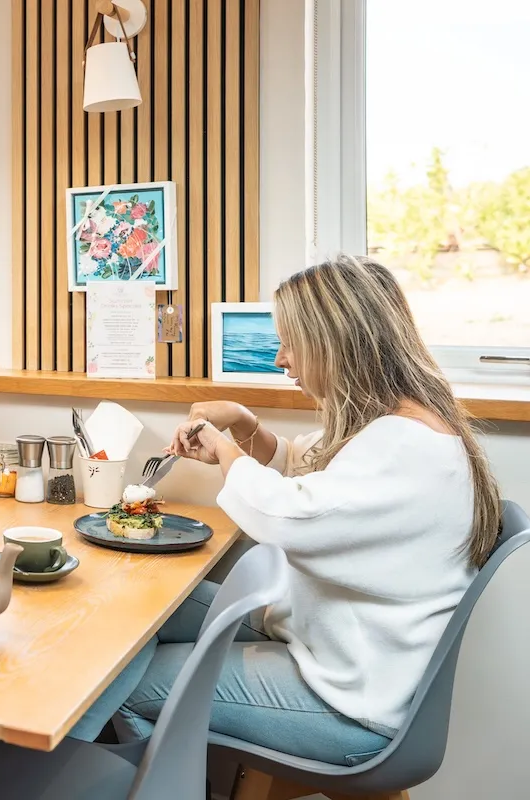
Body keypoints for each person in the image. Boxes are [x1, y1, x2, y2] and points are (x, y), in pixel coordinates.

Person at [71, 254, 501, 766]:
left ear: (335, 342)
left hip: (352, 701)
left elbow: (285, 515)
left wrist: (226, 450)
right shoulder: (397, 423)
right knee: (141, 602)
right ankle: (60, 759)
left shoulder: (407, 448)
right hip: (332, 642)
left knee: (141, 685)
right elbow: (309, 471)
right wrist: (246, 426)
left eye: (291, 343)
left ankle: (101, 775)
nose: (281, 360)